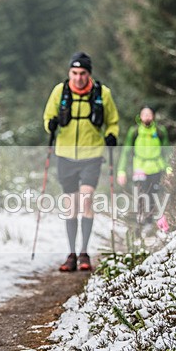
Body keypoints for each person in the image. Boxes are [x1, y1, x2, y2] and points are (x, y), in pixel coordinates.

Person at [43, 52, 119, 272]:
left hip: (92, 155)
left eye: (82, 73)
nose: (78, 77)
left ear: (89, 74)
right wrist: (52, 124)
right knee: (70, 205)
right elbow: (47, 118)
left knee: (85, 200)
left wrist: (112, 134)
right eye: (74, 73)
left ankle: (84, 252)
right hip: (65, 155)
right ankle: (71, 254)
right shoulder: (60, 91)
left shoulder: (102, 93)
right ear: (69, 73)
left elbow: (112, 121)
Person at [117, 106, 170, 226]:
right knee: (141, 196)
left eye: (149, 114)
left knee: (154, 196)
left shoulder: (160, 131)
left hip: (157, 167)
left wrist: (169, 168)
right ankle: (140, 223)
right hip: (140, 168)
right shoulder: (134, 131)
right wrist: (121, 171)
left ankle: (152, 223)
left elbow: (167, 152)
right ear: (140, 116)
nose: (146, 116)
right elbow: (126, 152)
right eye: (144, 114)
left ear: (153, 116)